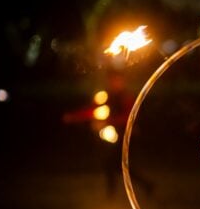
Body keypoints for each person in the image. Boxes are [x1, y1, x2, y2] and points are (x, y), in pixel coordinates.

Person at [63, 68, 153, 197]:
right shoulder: (108, 96)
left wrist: (109, 121)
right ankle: (141, 187)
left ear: (122, 81)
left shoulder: (126, 97)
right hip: (115, 136)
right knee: (115, 165)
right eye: (111, 80)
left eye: (117, 80)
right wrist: (74, 117)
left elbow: (128, 118)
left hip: (127, 137)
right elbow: (94, 110)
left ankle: (132, 189)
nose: (113, 83)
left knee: (115, 164)